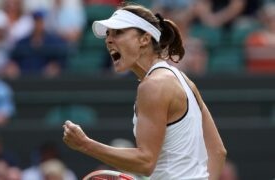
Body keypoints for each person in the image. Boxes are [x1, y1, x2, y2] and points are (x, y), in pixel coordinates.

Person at [62, 3, 226, 179]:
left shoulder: (153, 86)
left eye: (118, 32)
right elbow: (217, 151)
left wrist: (85, 144)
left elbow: (145, 162)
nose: (109, 39)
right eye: (108, 34)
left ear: (144, 39)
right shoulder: (183, 80)